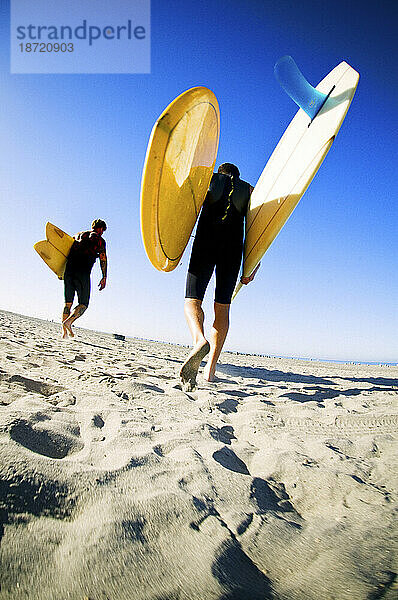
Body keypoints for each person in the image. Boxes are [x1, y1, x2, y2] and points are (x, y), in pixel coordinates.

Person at [180, 163, 260, 390]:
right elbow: (259, 231)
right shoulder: (251, 191)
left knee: (192, 301)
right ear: (238, 174)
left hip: (205, 243)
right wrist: (252, 267)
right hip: (232, 252)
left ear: (221, 171)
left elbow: (186, 207)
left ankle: (199, 340)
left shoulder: (208, 179)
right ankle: (211, 369)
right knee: (222, 308)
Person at [62, 219, 108, 338]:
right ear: (101, 228)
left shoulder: (77, 235)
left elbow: (65, 252)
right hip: (82, 272)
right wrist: (104, 276)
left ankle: (64, 333)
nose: (102, 232)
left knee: (68, 303)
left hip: (68, 270)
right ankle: (68, 322)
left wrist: (60, 271)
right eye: (103, 230)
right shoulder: (99, 240)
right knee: (83, 304)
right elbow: (103, 258)